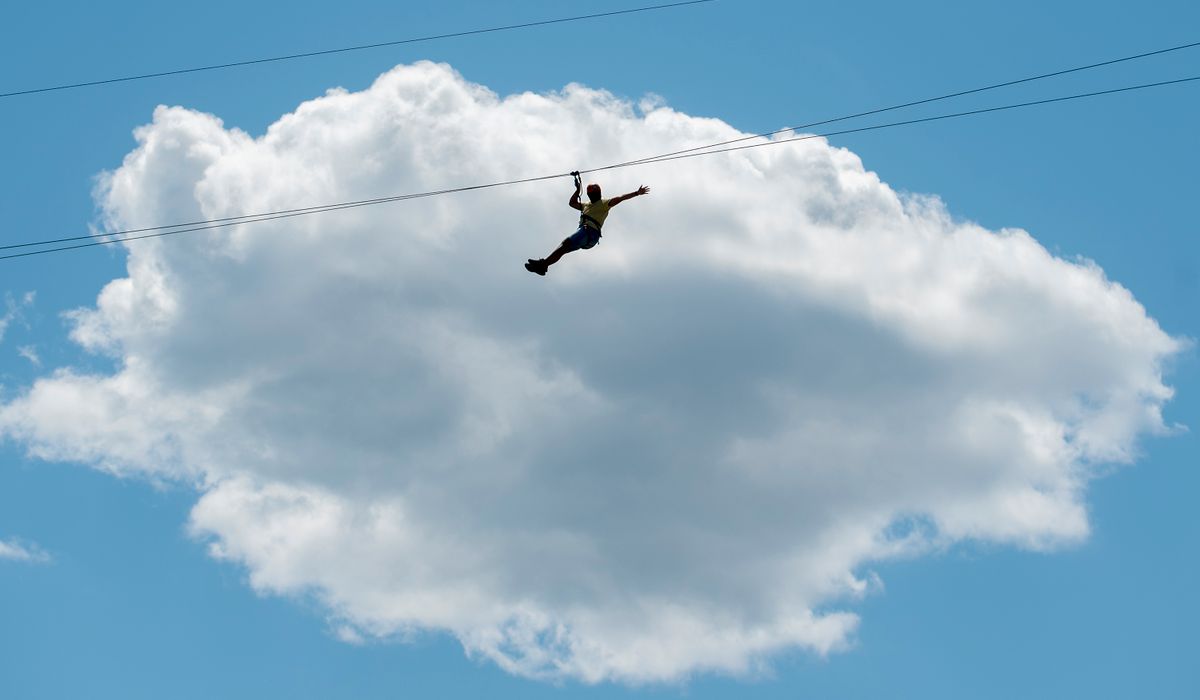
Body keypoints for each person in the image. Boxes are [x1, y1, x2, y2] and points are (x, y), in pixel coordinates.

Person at [525, 171, 650, 276]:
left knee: (565, 244)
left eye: (593, 194)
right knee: (563, 248)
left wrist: (636, 193)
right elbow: (572, 203)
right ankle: (543, 266)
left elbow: (621, 198)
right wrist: (577, 190)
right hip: (586, 235)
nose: (593, 196)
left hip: (589, 233)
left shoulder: (604, 203)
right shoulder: (586, 205)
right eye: (591, 194)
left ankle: (543, 264)